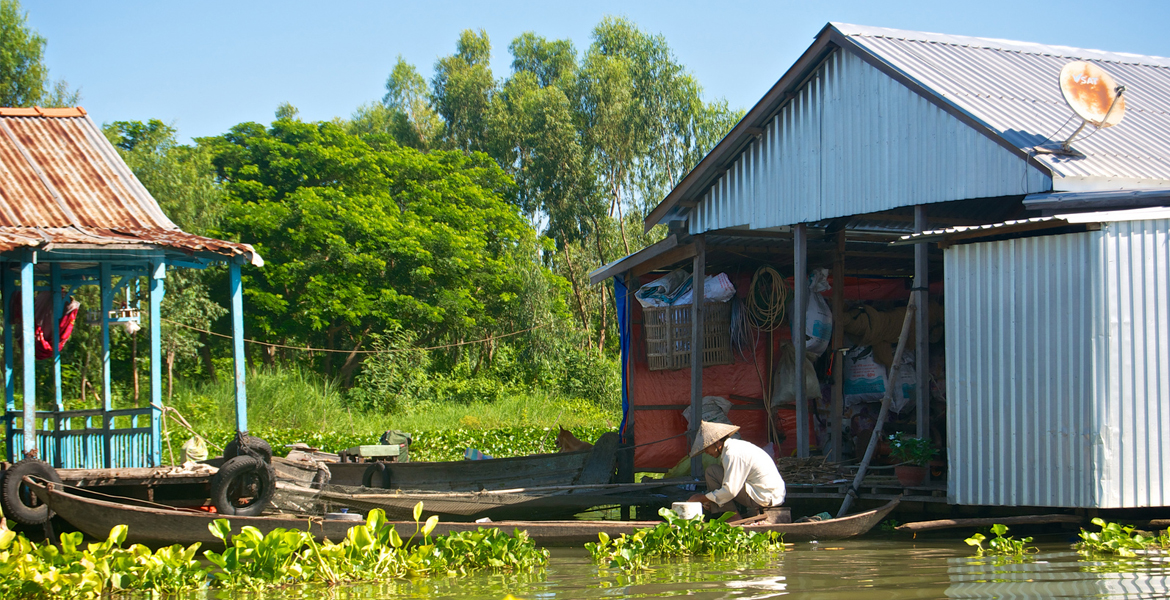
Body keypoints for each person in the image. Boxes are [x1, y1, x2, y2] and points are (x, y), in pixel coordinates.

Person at [686, 421, 786, 518]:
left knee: (712, 472)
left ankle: (732, 517)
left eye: (706, 448)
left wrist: (701, 498)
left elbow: (730, 491)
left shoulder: (732, 453)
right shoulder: (734, 447)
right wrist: (710, 500)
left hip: (764, 496)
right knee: (715, 472)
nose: (706, 452)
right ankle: (726, 512)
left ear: (716, 443)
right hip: (766, 493)